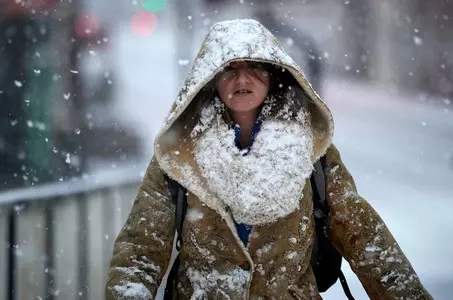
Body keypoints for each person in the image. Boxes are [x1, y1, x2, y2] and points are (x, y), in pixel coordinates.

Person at [105, 19, 433, 299]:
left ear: (274, 74)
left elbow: (366, 238)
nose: (242, 79)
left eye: (255, 67)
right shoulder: (179, 157)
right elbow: (140, 253)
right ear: (210, 79)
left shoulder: (312, 151)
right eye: (229, 69)